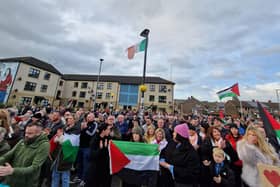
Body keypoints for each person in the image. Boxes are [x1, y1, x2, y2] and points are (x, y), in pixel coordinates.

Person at [0, 122, 49, 187]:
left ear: (38, 133)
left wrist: (13, 171)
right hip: (12, 180)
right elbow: (8, 155)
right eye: (26, 132)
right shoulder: (22, 141)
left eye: (30, 133)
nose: (26, 135)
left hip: (27, 182)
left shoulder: (44, 145)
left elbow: (34, 168)